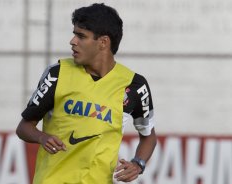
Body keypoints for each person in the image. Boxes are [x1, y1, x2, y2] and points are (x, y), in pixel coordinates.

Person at [16, 3, 157, 184]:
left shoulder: (134, 85)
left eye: (81, 36)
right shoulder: (57, 74)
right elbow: (23, 127)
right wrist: (42, 137)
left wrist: (138, 164)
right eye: (74, 34)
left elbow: (148, 136)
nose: (72, 41)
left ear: (103, 42)